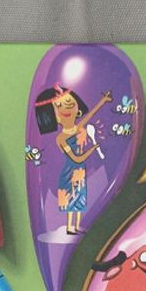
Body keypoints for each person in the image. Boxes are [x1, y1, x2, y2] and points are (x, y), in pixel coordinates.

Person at [34, 83, 111, 234]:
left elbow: (90, 115)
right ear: (53, 117)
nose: (67, 106)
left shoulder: (78, 128)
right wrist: (92, 149)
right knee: (71, 199)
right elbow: (76, 159)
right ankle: (70, 227)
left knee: (80, 198)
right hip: (70, 172)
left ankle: (75, 227)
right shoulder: (61, 138)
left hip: (81, 171)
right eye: (59, 106)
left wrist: (103, 101)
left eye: (70, 102)